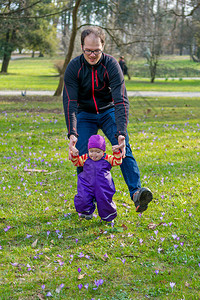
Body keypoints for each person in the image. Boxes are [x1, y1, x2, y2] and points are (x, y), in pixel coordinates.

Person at [63, 26, 153, 214]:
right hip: (84, 113)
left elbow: (121, 101)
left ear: (103, 46)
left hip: (108, 110)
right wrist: (72, 132)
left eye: (96, 50)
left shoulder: (112, 65)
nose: (92, 55)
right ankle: (86, 200)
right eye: (88, 50)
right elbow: (70, 102)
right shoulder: (74, 67)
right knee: (82, 155)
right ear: (81, 47)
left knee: (123, 146)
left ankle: (136, 193)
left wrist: (121, 132)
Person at [70, 135, 122, 222]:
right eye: (91, 151)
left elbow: (118, 161)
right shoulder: (85, 158)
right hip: (87, 184)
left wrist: (116, 152)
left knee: (104, 200)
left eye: (98, 152)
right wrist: (74, 155)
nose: (94, 154)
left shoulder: (107, 158)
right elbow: (77, 163)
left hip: (103, 185)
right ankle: (86, 211)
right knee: (83, 197)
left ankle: (108, 217)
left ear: (103, 151)